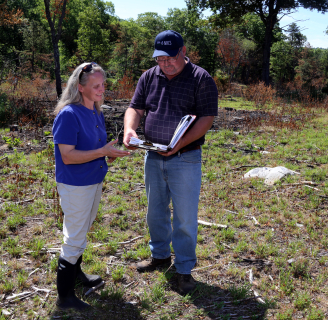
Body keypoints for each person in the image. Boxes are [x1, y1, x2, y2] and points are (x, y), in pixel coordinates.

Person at [123, 30, 218, 295]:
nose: (164, 64)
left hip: (185, 158)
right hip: (152, 156)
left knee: (185, 217)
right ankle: (160, 257)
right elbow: (136, 108)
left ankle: (184, 269)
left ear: (183, 51)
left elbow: (206, 118)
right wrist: (129, 129)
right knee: (155, 212)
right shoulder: (149, 77)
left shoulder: (201, 78)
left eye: (169, 58)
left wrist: (179, 144)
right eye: (159, 59)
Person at [52, 62, 130, 310]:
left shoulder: (95, 111)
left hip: (93, 180)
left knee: (82, 230)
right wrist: (101, 151)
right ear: (80, 87)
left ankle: (76, 276)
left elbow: (92, 150)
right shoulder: (69, 114)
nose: (102, 89)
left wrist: (107, 153)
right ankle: (65, 298)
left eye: (103, 84)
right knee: (74, 238)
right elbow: (67, 156)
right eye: (96, 85)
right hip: (75, 185)